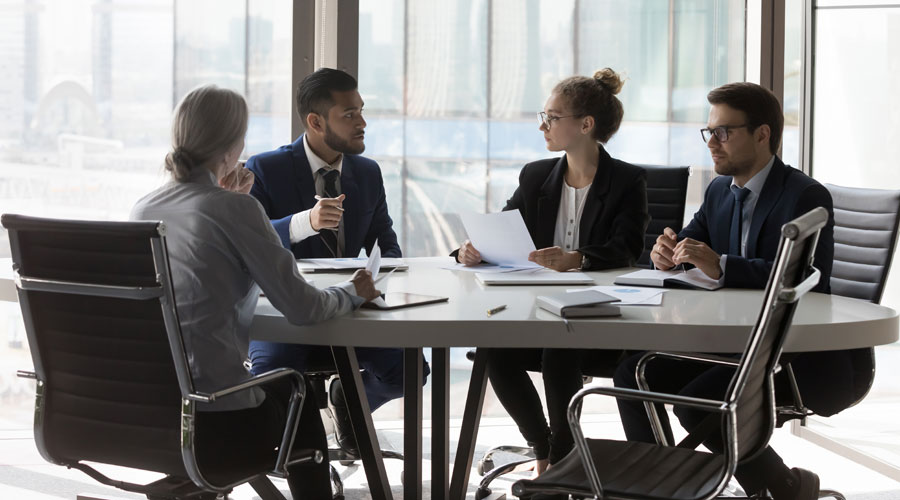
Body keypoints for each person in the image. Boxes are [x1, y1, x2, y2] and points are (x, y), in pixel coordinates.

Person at [131, 84, 381, 498]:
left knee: (278, 388)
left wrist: (230, 202)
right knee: (295, 394)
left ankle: (201, 486)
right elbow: (303, 308)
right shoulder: (234, 209)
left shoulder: (144, 208)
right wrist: (354, 290)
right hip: (216, 413)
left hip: (154, 411)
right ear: (233, 145)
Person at [614, 82, 846, 500]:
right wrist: (667, 253)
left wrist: (721, 265)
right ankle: (659, 487)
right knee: (632, 374)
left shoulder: (805, 195)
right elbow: (688, 244)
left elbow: (808, 278)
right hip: (725, 341)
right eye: (709, 133)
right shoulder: (720, 190)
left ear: (762, 134)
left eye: (724, 132)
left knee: (696, 402)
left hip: (784, 352)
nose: (712, 144)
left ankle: (782, 487)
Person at [455, 68, 649, 473]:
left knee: (559, 350)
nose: (543, 125)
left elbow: (627, 248)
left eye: (552, 116)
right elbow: (506, 228)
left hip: (600, 315)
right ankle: (544, 451)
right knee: (493, 352)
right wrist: (470, 251)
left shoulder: (627, 180)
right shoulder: (537, 175)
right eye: (543, 115)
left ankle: (562, 462)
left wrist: (577, 258)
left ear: (585, 124)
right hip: (537, 306)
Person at [245, 68, 427, 456]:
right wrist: (303, 223)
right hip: (287, 313)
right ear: (315, 121)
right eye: (350, 114)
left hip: (351, 308)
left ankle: (349, 398)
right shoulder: (264, 169)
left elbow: (386, 244)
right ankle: (300, 458)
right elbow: (249, 242)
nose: (362, 122)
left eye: (361, 111)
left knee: (411, 371)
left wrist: (384, 282)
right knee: (272, 381)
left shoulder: (367, 172)